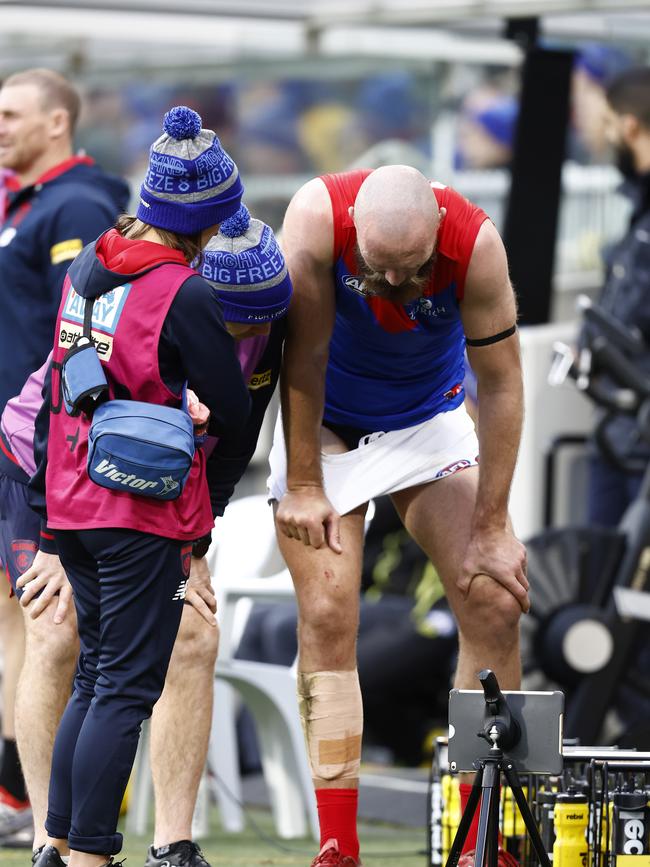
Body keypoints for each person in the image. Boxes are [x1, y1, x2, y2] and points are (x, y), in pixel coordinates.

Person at [0, 200, 290, 866]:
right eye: (236, 321)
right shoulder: (154, 301)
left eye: (263, 319)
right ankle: (62, 842)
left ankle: (167, 844)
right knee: (59, 635)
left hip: (133, 484)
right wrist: (48, 533)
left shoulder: (261, 315)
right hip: (47, 465)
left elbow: (232, 440)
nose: (251, 333)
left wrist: (196, 546)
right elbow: (64, 416)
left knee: (181, 638)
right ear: (202, 297)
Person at [269, 164, 527, 867]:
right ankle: (338, 845)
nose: (393, 287)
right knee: (327, 609)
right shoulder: (317, 218)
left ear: (437, 234)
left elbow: (503, 383)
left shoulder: (477, 244)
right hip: (327, 423)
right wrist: (302, 481)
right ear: (357, 236)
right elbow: (303, 356)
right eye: (377, 271)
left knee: (496, 600)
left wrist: (493, 525)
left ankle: (487, 833)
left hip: (428, 418)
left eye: (409, 271)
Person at [0, 67, 130, 848]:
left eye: (10, 114)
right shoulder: (21, 202)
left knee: (45, 623)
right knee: (13, 624)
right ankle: (17, 793)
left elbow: (79, 338)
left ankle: (35, 805)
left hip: (43, 453)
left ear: (57, 122)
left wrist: (52, 450)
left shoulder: (79, 203)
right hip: (11, 447)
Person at [580, 66, 650, 528]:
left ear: (629, 127)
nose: (603, 138)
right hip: (620, 429)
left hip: (639, 437)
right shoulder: (639, 210)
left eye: (608, 124)